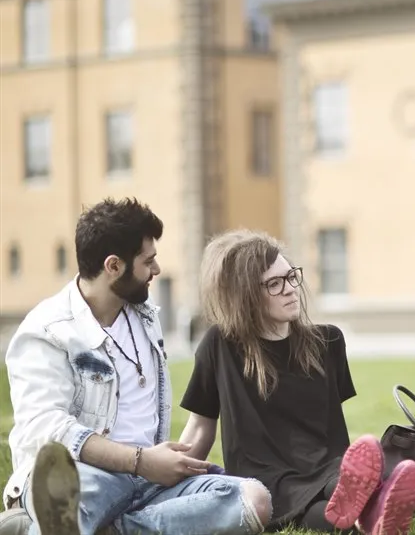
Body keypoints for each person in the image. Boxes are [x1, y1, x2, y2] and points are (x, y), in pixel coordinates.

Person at [2, 198, 270, 535]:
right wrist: (141, 460)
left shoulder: (143, 313)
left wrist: (156, 466)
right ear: (113, 266)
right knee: (74, 491)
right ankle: (63, 518)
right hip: (85, 476)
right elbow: (48, 428)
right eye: (148, 261)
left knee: (252, 499)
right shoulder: (46, 331)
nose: (156, 271)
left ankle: (93, 529)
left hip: (147, 484)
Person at [179, 230, 415, 534]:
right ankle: (374, 511)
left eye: (291, 276)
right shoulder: (220, 345)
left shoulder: (329, 341)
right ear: (245, 296)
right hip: (263, 477)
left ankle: (374, 504)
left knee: (340, 483)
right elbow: (201, 426)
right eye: (274, 283)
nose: (290, 289)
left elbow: (328, 427)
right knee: (312, 507)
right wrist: (171, 483)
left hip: (329, 469)